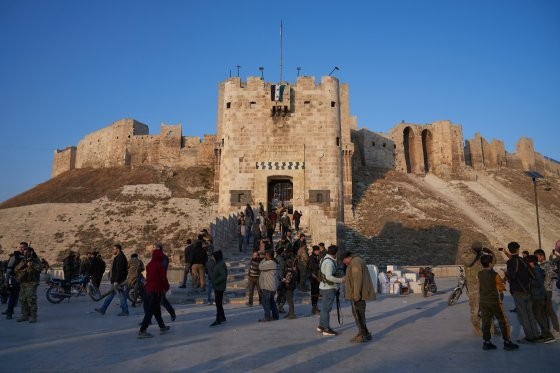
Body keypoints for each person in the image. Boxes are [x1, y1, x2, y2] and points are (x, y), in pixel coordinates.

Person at [478, 254, 519, 351]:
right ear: (490, 263)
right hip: (494, 301)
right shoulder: (495, 275)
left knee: (486, 322)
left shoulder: (479, 274)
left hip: (483, 301)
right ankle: (507, 342)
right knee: (503, 321)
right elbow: (501, 287)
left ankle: (486, 342)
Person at [505, 241, 540, 342]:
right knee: (530, 314)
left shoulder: (510, 262)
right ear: (518, 249)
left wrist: (507, 274)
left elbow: (512, 276)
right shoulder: (524, 260)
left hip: (518, 291)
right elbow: (532, 275)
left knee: (523, 315)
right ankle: (536, 335)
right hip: (527, 290)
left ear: (509, 250)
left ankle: (529, 337)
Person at [460, 240, 495, 336]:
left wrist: (491, 253)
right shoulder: (467, 254)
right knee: (475, 312)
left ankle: (491, 330)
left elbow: (492, 264)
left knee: (488, 311)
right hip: (474, 290)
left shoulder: (482, 256)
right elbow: (468, 262)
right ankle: (478, 331)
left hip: (485, 288)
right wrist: (474, 252)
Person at [342, 251, 375, 343]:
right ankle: (365, 333)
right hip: (357, 293)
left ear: (348, 257)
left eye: (344, 260)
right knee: (359, 314)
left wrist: (356, 295)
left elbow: (357, 280)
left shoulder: (355, 263)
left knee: (358, 314)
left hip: (357, 294)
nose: (344, 262)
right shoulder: (355, 261)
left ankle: (362, 335)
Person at [137, 247, 170, 339]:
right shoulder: (159, 265)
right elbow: (163, 278)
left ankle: (162, 327)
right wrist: (166, 287)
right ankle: (142, 330)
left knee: (156, 309)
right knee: (150, 311)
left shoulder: (149, 264)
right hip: (156, 290)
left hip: (149, 289)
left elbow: (147, 277)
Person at [526, 255, 555, 343]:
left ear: (532, 262)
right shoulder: (537, 269)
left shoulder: (536, 270)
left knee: (538, 316)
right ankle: (545, 334)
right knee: (541, 315)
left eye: (528, 262)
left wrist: (529, 280)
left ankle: (548, 335)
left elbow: (538, 283)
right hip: (539, 295)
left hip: (537, 296)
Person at [317, 245, 345, 336]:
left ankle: (321, 326)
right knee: (326, 309)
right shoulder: (329, 262)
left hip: (324, 286)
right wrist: (341, 280)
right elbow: (329, 276)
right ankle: (326, 329)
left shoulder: (323, 259)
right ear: (335, 253)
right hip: (328, 288)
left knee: (324, 308)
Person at [95, 244, 129, 316]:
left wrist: (116, 281)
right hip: (116, 280)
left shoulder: (120, 258)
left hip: (118, 281)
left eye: (114, 249)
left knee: (121, 296)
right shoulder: (119, 257)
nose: (112, 251)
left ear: (118, 249)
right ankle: (103, 309)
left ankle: (125, 311)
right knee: (112, 295)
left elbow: (119, 271)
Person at [534, 248, 560, 337]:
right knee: (544, 311)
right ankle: (547, 330)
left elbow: (555, 274)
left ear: (542, 256)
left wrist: (546, 275)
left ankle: (556, 329)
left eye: (536, 256)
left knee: (549, 310)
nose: (536, 258)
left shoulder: (548, 264)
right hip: (542, 290)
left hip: (547, 289)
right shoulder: (540, 265)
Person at [14, 246, 42, 323]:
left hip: (31, 283)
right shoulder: (23, 260)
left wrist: (32, 264)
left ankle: (33, 316)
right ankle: (24, 315)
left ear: (31, 252)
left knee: (31, 299)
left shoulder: (36, 260)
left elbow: (40, 268)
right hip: (23, 283)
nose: (25, 252)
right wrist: (23, 264)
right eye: (24, 251)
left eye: (27, 251)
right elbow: (15, 269)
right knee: (23, 300)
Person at [153, 243, 176, 321]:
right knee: (151, 302)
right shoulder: (155, 258)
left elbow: (163, 269)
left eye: (154, 248)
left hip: (161, 282)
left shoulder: (164, 258)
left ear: (158, 249)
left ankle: (172, 312)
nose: (153, 250)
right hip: (154, 282)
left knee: (162, 300)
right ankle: (148, 320)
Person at [3, 243, 26, 320]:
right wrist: (6, 281)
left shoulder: (29, 256)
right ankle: (9, 313)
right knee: (13, 296)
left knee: (25, 298)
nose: (21, 249)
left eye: (23, 247)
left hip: (25, 280)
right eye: (20, 247)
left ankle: (26, 314)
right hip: (15, 279)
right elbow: (9, 270)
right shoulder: (14, 256)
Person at [258, 249, 279, 322]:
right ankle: (275, 316)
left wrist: (263, 259)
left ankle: (267, 317)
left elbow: (260, 267)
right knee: (271, 302)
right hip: (269, 286)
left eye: (266, 255)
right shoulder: (271, 262)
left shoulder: (270, 263)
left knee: (265, 302)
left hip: (268, 286)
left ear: (269, 256)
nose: (265, 256)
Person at [210, 250, 228, 327]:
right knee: (219, 303)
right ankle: (222, 317)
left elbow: (223, 275)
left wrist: (216, 281)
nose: (212, 258)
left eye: (213, 257)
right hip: (218, 287)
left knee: (218, 303)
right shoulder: (219, 263)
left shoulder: (220, 265)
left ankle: (218, 319)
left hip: (219, 287)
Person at [308, 245, 322, 315]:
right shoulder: (311, 258)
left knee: (316, 292)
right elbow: (313, 266)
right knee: (314, 292)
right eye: (318, 250)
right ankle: (314, 307)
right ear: (315, 251)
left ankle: (315, 306)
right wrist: (320, 265)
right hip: (313, 277)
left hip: (316, 277)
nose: (319, 251)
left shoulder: (316, 257)